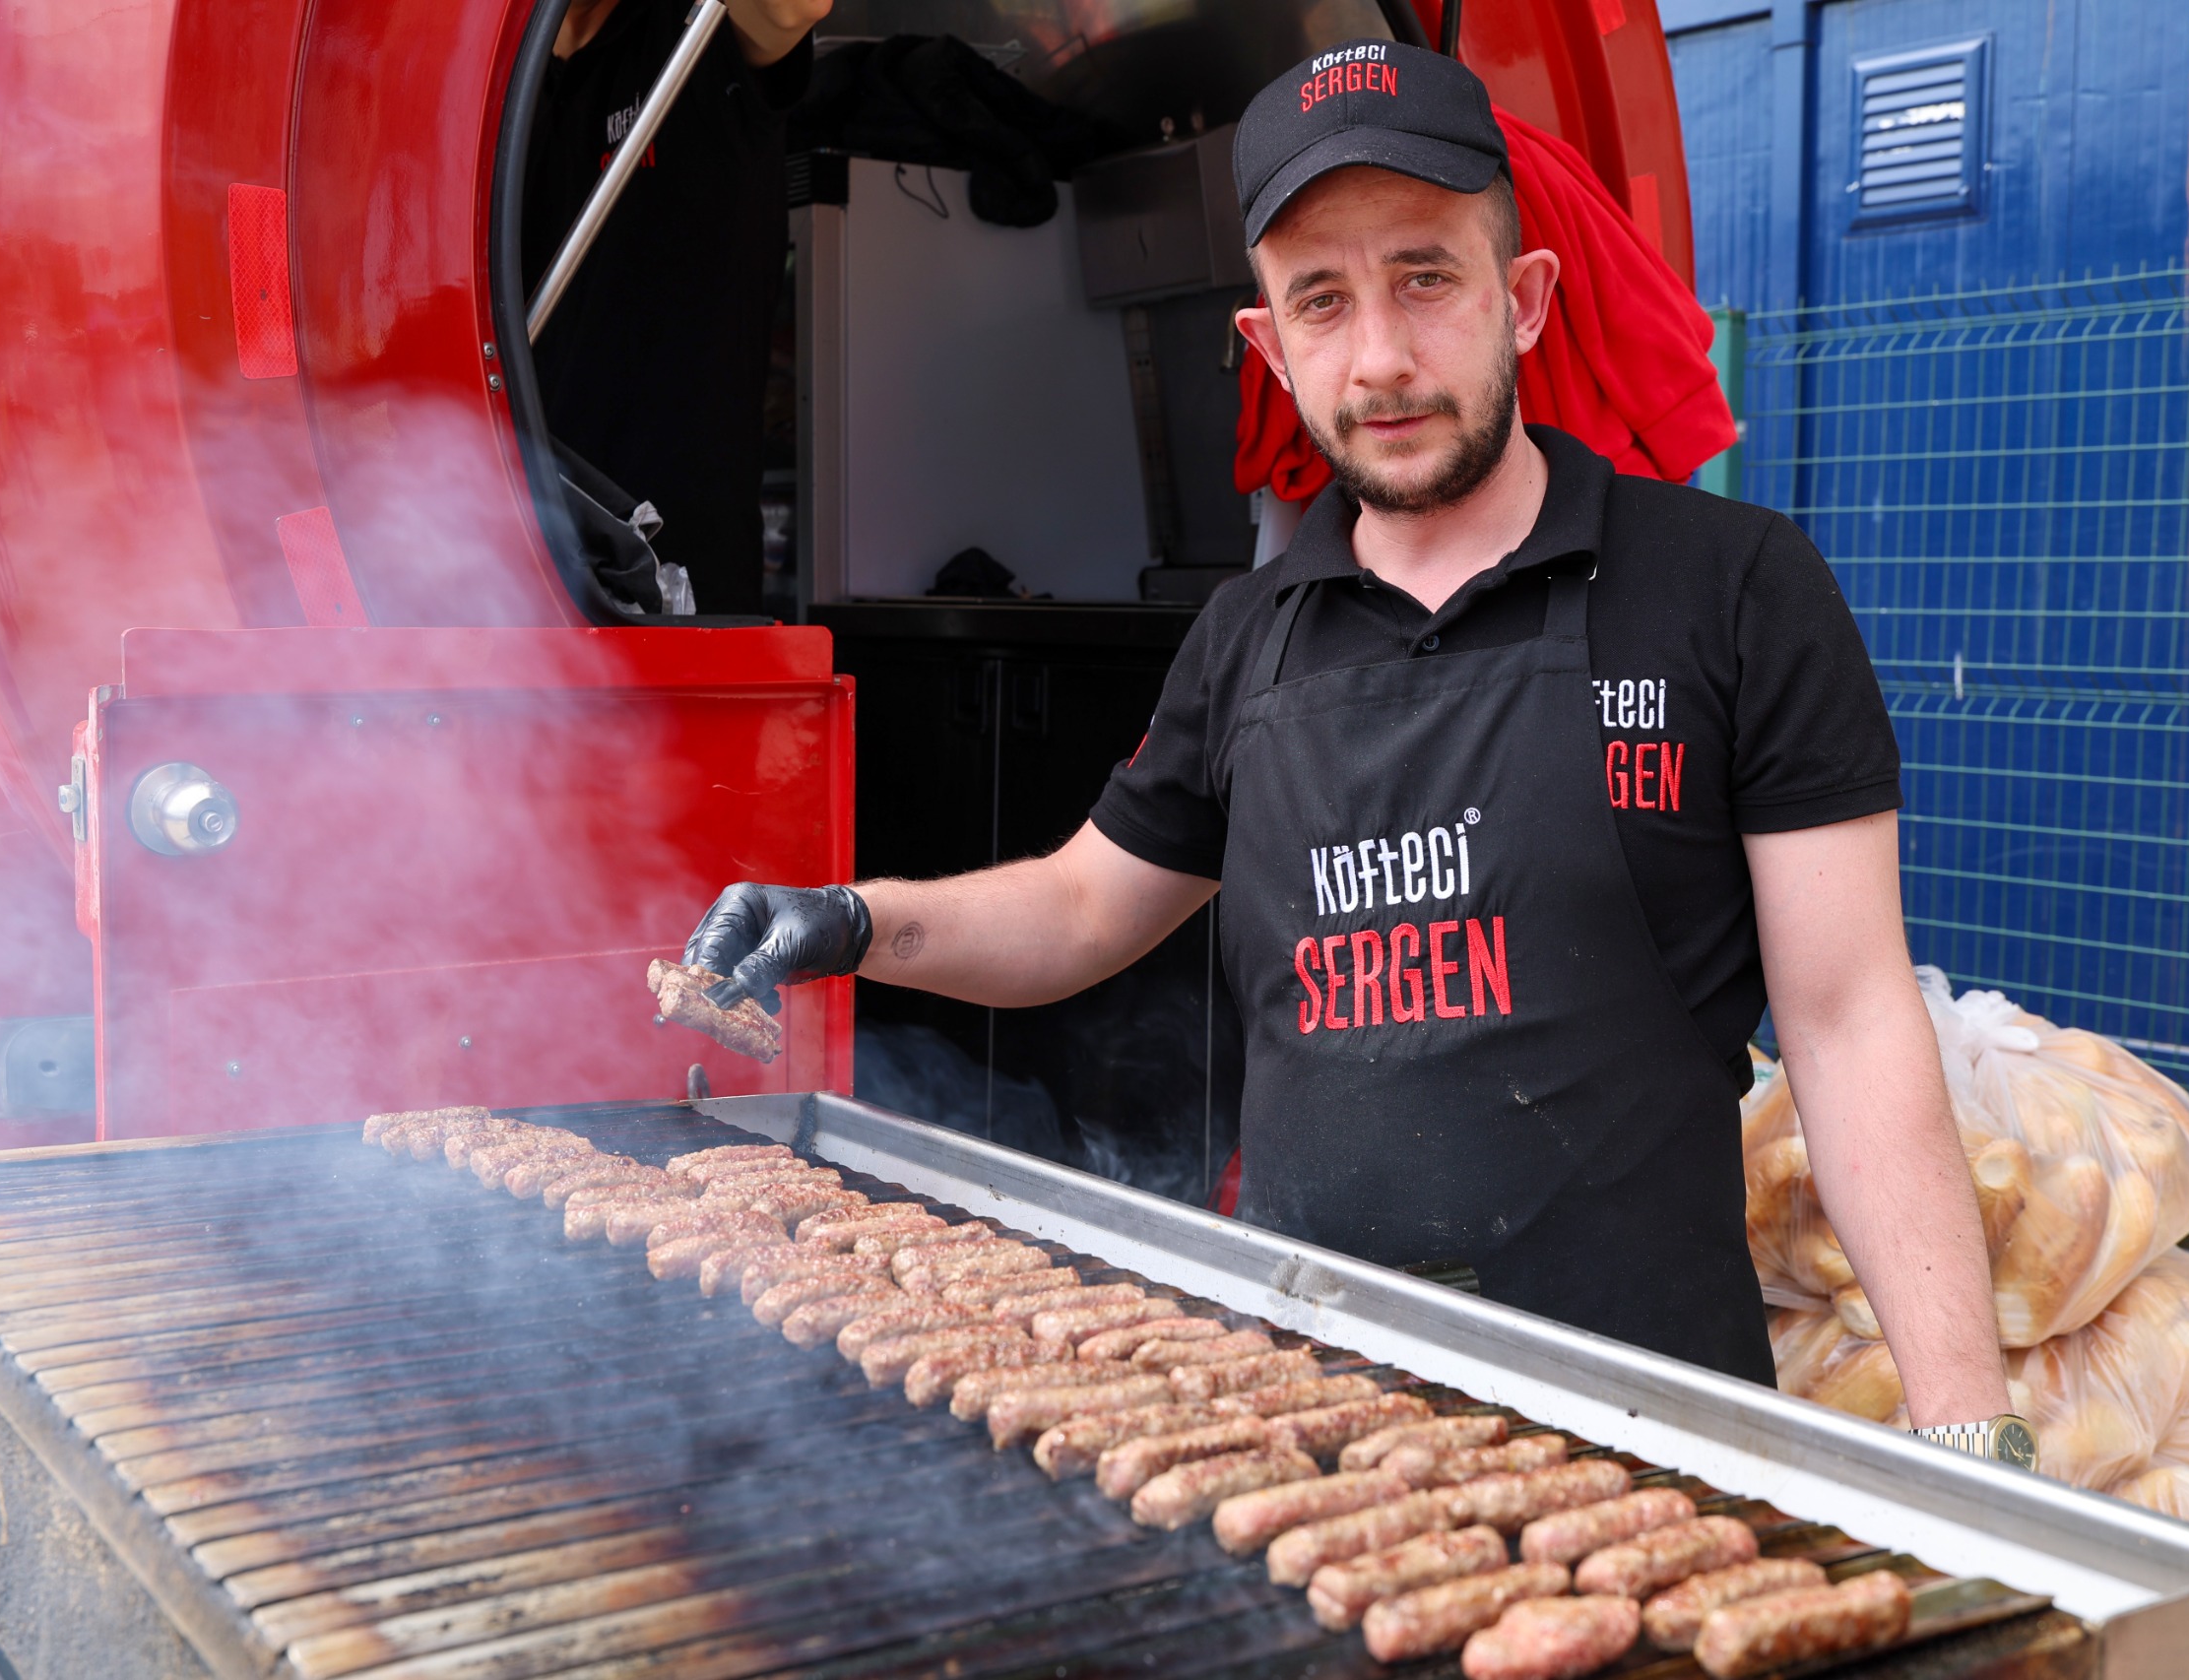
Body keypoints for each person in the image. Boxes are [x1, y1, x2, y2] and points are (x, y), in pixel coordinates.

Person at [678, 41, 2026, 1459]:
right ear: (1270, 344)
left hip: (1650, 1425)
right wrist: (851, 918)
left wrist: (1969, 1432)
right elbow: (1081, 906)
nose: (1378, 355)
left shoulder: (1733, 590)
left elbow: (1849, 1017)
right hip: (1307, 1409)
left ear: (1524, 301)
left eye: (1426, 278)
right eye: (1323, 299)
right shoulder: (1245, 636)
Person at [522, 0, 832, 617]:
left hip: (680, 576)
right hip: (523, 564)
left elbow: (795, 8)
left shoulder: (690, 26)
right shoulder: (495, 85)